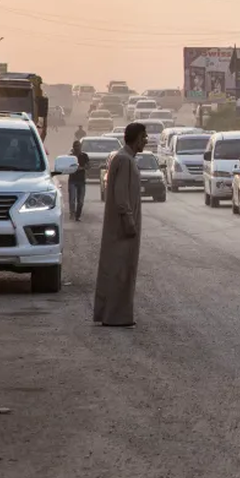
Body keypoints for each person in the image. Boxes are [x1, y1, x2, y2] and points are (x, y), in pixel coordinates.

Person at [93, 122, 147, 328]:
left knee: (121, 269)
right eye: (143, 137)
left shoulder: (126, 159)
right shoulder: (124, 160)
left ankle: (114, 314)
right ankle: (115, 316)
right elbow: (121, 196)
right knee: (120, 270)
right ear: (135, 138)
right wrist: (129, 221)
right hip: (123, 227)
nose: (145, 141)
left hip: (124, 225)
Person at [67, 140, 90, 221]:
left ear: (80, 147)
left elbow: (88, 166)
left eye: (78, 146)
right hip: (72, 180)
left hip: (81, 181)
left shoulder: (84, 156)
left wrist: (81, 168)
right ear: (73, 147)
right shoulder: (70, 157)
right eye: (75, 146)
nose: (77, 147)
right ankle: (72, 214)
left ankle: (77, 216)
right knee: (72, 200)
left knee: (80, 201)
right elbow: (67, 167)